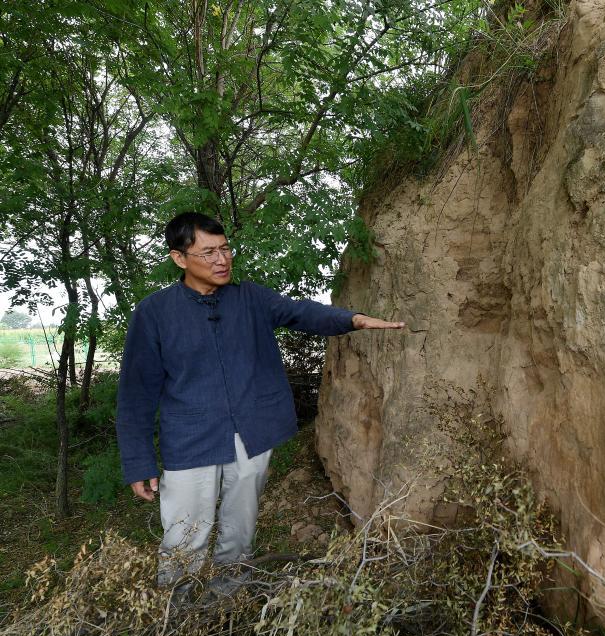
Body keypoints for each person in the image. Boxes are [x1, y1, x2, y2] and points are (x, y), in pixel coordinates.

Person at [116, 211, 404, 594]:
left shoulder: (250, 298)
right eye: (208, 253)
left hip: (250, 435)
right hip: (188, 440)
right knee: (184, 537)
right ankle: (178, 613)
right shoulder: (154, 313)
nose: (222, 260)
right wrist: (138, 461)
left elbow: (301, 312)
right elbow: (136, 394)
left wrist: (352, 319)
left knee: (239, 532)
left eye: (225, 249)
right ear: (179, 258)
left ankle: (228, 602)